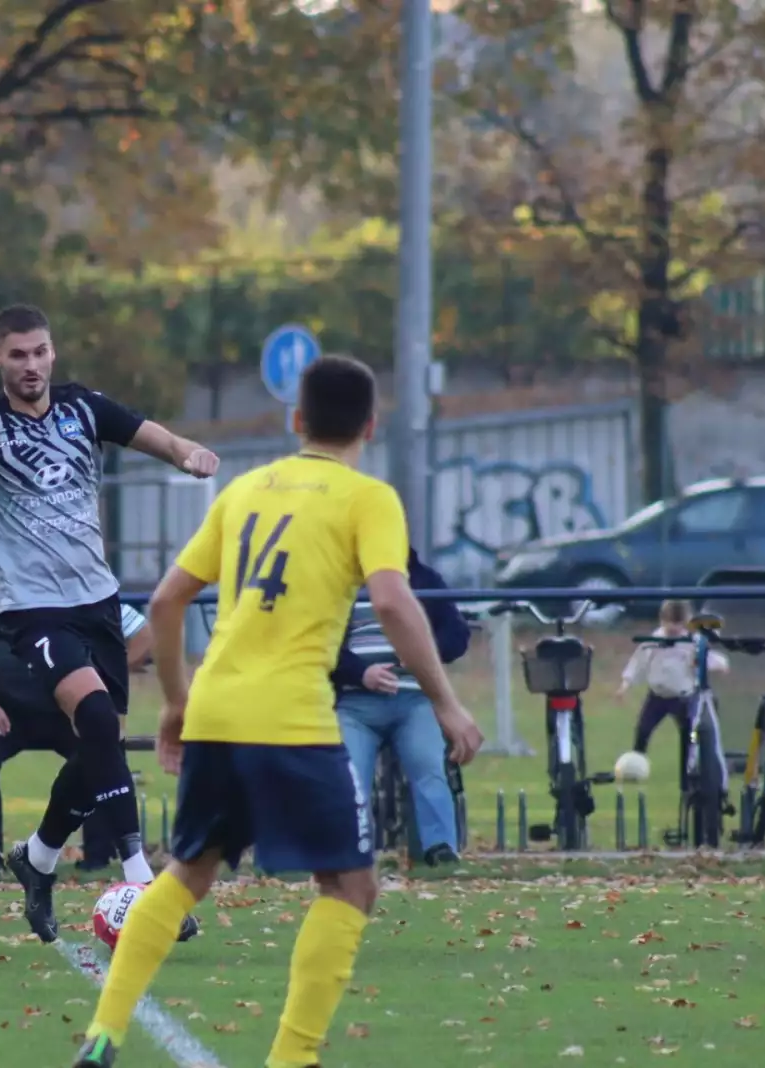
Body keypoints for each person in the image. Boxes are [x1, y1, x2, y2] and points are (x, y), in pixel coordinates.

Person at [70, 356, 485, 1068]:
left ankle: (104, 1035)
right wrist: (445, 702)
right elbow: (392, 600)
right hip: (292, 719)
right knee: (350, 886)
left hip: (217, 709)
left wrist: (175, 701)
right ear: (371, 426)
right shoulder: (368, 498)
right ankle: (292, 1059)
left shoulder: (243, 491)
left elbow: (167, 601)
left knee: (186, 875)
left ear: (297, 420)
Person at [0, 303, 217, 944]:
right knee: (95, 722)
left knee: (99, 747)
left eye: (39, 352)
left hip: (97, 602)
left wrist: (187, 453)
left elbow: (153, 435)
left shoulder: (82, 408)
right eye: (17, 354)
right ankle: (145, 883)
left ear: (52, 353)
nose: (30, 365)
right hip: (33, 609)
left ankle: (36, 858)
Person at [0, 562, 153, 871]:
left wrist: (100, 684)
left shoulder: (86, 583)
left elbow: (143, 634)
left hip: (67, 709)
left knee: (103, 744)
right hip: (5, 709)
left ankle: (98, 854)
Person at [333, 549, 471, 867]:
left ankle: (440, 847)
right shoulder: (341, 582)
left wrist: (424, 653)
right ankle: (347, 851)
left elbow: (457, 634)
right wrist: (360, 673)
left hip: (414, 699)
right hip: (356, 704)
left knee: (428, 766)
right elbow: (322, 643)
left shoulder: (424, 580)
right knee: (349, 774)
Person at [616, 598, 730, 789]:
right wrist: (624, 685)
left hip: (683, 699)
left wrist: (717, 665)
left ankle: (687, 779)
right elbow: (637, 664)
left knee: (690, 737)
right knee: (643, 730)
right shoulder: (653, 641)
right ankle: (635, 768)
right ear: (661, 620)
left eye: (678, 623)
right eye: (669, 622)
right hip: (657, 698)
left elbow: (711, 660)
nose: (673, 628)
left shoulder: (692, 643)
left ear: (686, 623)